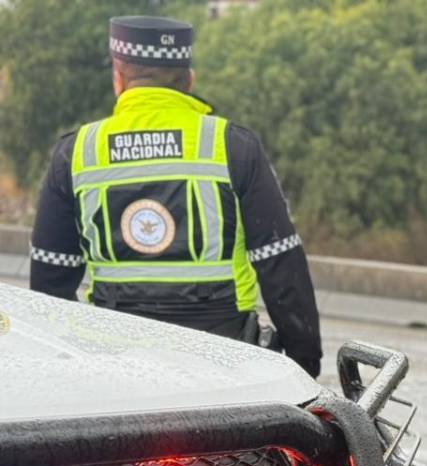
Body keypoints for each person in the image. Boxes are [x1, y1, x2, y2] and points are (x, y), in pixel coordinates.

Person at [29, 15, 322, 377]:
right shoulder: (232, 146)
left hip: (113, 370)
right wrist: (304, 363)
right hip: (225, 362)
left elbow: (49, 284)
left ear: (118, 79)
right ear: (189, 81)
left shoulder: (76, 153)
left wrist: (76, 366)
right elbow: (279, 263)